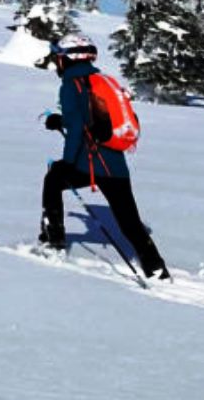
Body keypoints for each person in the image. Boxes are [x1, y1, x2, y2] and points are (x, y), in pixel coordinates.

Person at [39, 34, 169, 280]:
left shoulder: (71, 85)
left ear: (68, 59)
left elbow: (78, 127)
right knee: (129, 222)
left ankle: (53, 243)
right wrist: (59, 120)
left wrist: (68, 162)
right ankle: (156, 269)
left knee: (54, 178)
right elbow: (89, 120)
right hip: (116, 165)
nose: (56, 63)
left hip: (89, 164)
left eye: (58, 58)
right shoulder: (101, 80)